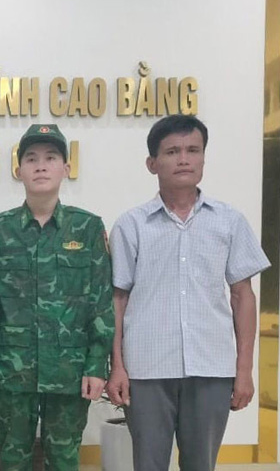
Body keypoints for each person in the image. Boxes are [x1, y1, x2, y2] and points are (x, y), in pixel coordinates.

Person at [106, 115, 270, 471]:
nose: (184, 159)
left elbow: (243, 296)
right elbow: (118, 300)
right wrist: (117, 367)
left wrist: (244, 370)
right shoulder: (131, 225)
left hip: (211, 367)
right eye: (172, 151)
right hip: (146, 371)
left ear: (203, 160)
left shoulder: (229, 221)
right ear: (152, 164)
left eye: (193, 150)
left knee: (201, 465)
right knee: (148, 464)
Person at [0, 123, 114, 471]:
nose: (41, 165)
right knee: (12, 458)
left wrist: (97, 364)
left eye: (51, 157)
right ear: (18, 171)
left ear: (66, 168)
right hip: (10, 370)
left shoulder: (88, 228)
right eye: (31, 159)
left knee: (64, 460)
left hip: (69, 369)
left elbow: (101, 300)